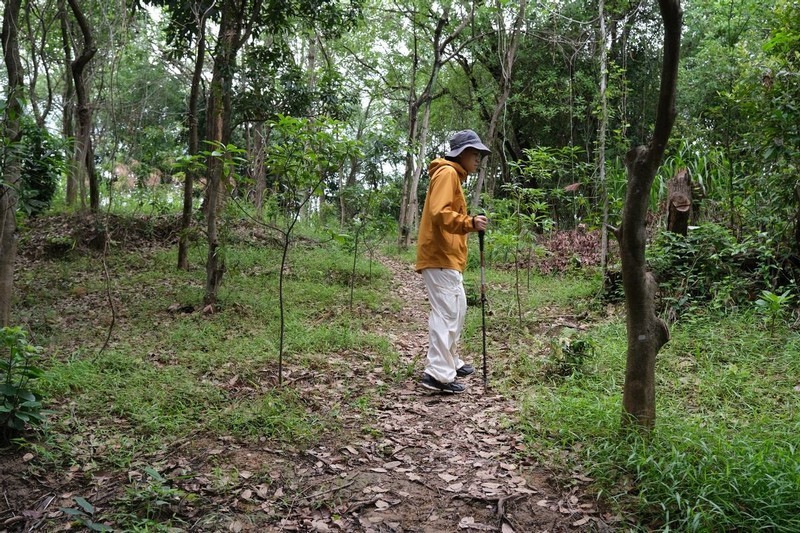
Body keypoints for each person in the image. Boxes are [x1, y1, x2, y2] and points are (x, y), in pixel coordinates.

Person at [416, 130, 490, 394]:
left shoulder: (452, 176)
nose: (478, 159)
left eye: (480, 154)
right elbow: (440, 213)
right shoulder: (447, 173)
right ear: (461, 153)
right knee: (447, 313)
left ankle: (450, 362)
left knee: (456, 310)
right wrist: (468, 223)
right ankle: (436, 374)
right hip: (439, 256)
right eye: (475, 153)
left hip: (447, 257)